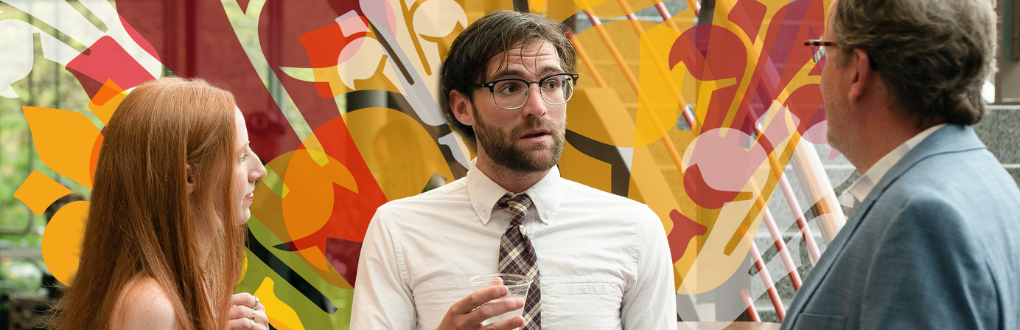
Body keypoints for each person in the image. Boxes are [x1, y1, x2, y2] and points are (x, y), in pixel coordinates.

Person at [350, 10, 676, 330]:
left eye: (551, 83)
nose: (538, 107)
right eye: (510, 87)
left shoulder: (634, 230)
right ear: (463, 107)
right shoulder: (399, 231)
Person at [782, 0, 1020, 329]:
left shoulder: (921, 218)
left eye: (824, 50)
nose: (820, 75)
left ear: (858, 72)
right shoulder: (988, 181)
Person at [53, 78, 270, 330]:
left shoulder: (180, 285)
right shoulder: (151, 305)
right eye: (241, 156)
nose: (259, 170)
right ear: (187, 177)